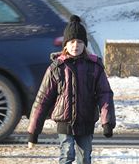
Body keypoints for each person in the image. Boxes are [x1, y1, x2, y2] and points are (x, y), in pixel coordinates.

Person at [27, 15, 116, 164]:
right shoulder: (57, 68)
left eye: (80, 42)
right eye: (72, 42)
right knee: (67, 153)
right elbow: (43, 99)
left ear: (85, 44)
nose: (76, 45)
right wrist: (33, 132)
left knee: (84, 157)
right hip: (64, 121)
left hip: (86, 121)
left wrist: (107, 122)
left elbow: (105, 94)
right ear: (65, 45)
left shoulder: (94, 67)